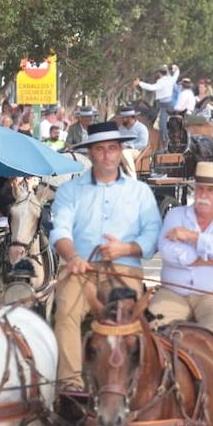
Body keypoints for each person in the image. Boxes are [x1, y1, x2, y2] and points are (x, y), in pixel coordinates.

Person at [50, 121, 162, 391]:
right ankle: (70, 384)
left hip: (123, 271)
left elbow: (153, 235)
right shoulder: (70, 191)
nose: (107, 155)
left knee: (128, 318)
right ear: (90, 153)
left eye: (112, 148)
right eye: (100, 149)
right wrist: (73, 256)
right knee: (65, 311)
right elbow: (60, 231)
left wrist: (125, 248)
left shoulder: (139, 192)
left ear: (120, 151)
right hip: (81, 270)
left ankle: (136, 383)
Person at [149, 161, 213, 350]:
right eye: (199, 189)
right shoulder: (176, 215)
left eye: (210, 190)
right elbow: (167, 250)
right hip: (174, 291)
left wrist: (192, 237)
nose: (203, 195)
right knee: (152, 330)